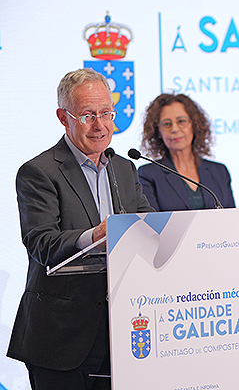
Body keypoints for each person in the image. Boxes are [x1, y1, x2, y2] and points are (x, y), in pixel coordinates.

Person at [7, 68, 154, 390]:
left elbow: (147, 224)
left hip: (122, 330)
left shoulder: (125, 167)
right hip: (62, 336)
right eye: (88, 115)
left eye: (106, 113)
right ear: (64, 117)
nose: (100, 125)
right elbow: (40, 242)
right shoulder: (39, 172)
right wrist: (95, 235)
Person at [138, 93, 235, 211]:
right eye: (167, 124)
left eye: (181, 121)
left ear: (194, 125)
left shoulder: (219, 172)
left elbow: (232, 221)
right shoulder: (149, 175)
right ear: (158, 132)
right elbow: (152, 224)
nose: (174, 129)